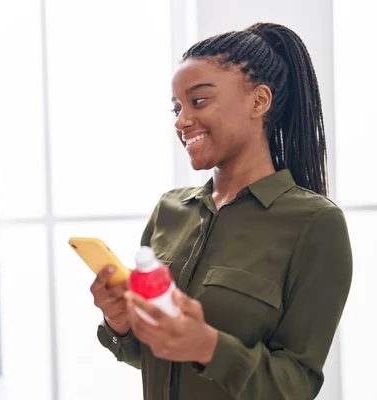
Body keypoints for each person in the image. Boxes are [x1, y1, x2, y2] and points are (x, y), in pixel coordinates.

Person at [91, 22, 353, 400]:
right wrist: (121, 324)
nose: (181, 121)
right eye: (177, 108)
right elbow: (159, 359)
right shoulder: (169, 210)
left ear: (259, 102)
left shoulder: (316, 224)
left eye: (198, 102)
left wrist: (208, 347)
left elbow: (296, 385)